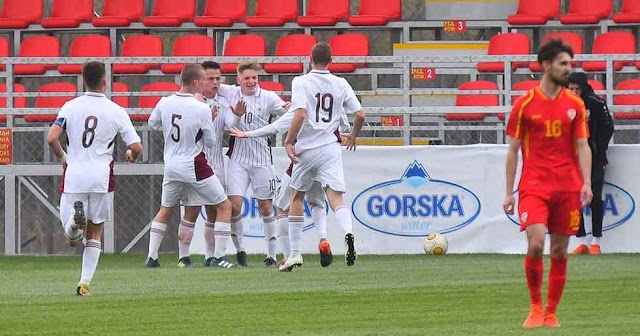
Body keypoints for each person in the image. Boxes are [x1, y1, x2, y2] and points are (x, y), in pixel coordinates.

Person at [503, 39, 593, 328]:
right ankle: (535, 306)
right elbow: (513, 150)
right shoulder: (525, 103)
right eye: (563, 63)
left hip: (567, 186)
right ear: (546, 65)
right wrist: (508, 192)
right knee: (536, 244)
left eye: (570, 63)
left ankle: (551, 312)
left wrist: (587, 182)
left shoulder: (575, 104)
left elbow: (583, 145)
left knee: (558, 250)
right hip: (534, 185)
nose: (569, 69)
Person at [47, 61, 143, 296]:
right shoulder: (116, 110)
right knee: (95, 232)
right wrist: (131, 154)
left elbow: (52, 138)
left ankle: (73, 225)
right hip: (101, 176)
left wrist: (63, 157)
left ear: (83, 80)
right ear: (104, 80)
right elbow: (136, 146)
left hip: (75, 172)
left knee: (71, 235)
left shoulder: (70, 106)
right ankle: (84, 283)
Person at [280, 42, 366, 271]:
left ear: (310, 59)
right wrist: (354, 135)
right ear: (331, 60)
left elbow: (300, 114)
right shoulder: (340, 83)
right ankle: (347, 232)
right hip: (330, 147)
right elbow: (360, 114)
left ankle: (296, 254)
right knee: (336, 199)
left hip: (308, 147)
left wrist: (289, 141)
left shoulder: (301, 81)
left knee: (297, 198)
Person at [230, 111, 351, 267]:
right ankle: (323, 238)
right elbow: (345, 125)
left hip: (304, 157)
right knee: (317, 203)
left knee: (284, 204)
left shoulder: (302, 104)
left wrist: (247, 134)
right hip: (327, 157)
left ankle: (291, 255)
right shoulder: (334, 97)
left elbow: (276, 127)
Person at [144, 64, 234, 269]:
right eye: (203, 79)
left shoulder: (165, 102)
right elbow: (211, 143)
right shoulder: (201, 107)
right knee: (224, 205)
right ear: (195, 82)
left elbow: (152, 124)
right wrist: (207, 123)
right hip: (194, 163)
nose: (206, 83)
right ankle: (218, 257)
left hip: (171, 165)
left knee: (166, 209)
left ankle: (153, 257)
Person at [218, 62, 288, 267]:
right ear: (238, 78)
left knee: (266, 206)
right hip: (238, 159)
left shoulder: (267, 97)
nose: (251, 82)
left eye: (254, 78)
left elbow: (286, 110)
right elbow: (209, 85)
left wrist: (290, 107)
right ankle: (240, 252)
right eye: (247, 78)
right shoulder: (229, 92)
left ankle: (271, 255)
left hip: (262, 159)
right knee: (235, 205)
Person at [177, 61, 244, 268]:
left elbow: (231, 126)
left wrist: (238, 115)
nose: (215, 83)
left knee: (215, 212)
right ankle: (183, 257)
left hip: (216, 164)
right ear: (201, 81)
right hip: (196, 163)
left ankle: (210, 257)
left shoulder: (222, 102)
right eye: (210, 79)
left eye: (218, 79)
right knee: (192, 210)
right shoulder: (193, 104)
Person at [568, 72, 614, 255]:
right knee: (574, 198)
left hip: (595, 159)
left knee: (594, 197)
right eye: (570, 88)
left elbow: (608, 127)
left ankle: (596, 241)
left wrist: (598, 148)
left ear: (583, 88)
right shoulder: (563, 103)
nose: (573, 92)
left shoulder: (595, 103)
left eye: (576, 89)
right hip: (571, 158)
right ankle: (582, 241)